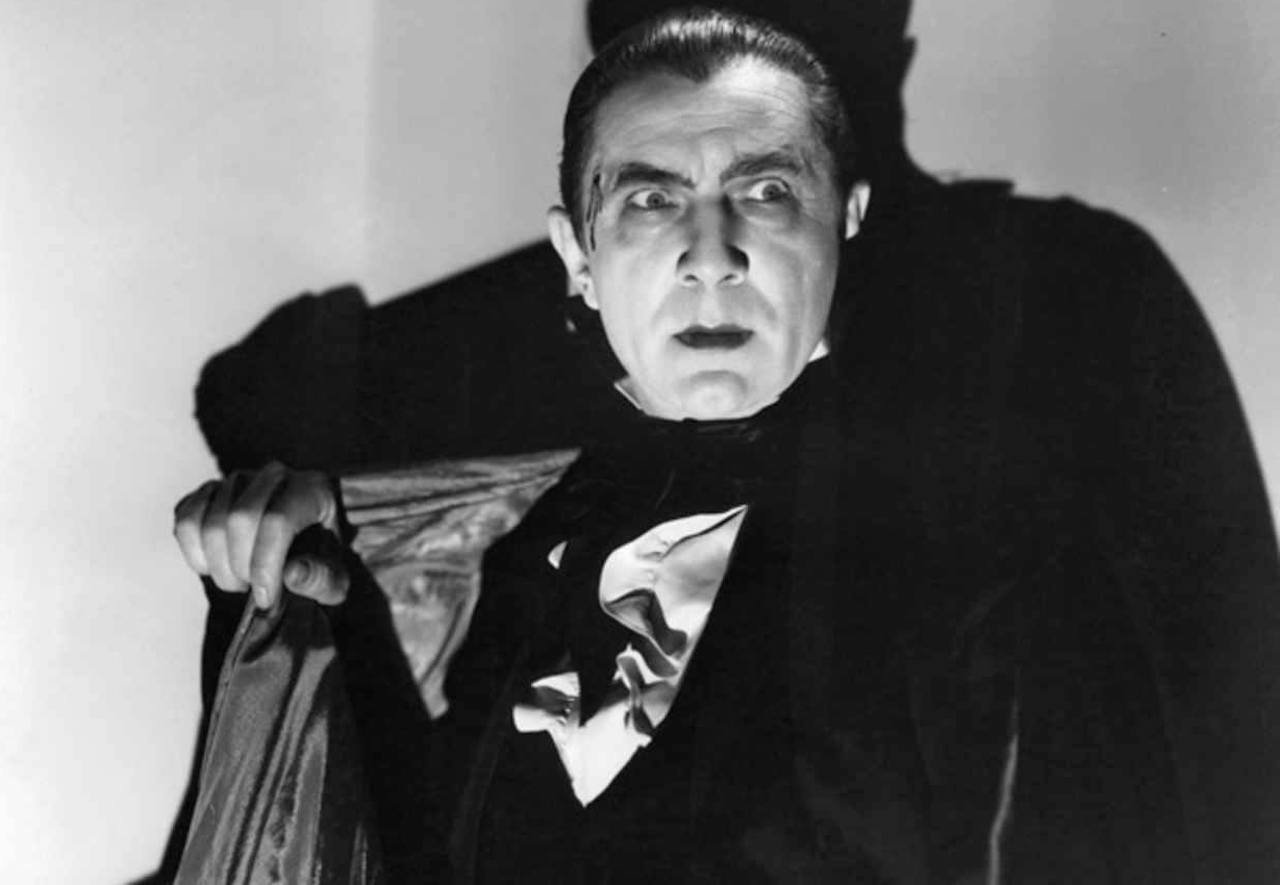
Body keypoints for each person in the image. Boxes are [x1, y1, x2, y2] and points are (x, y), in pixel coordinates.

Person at [162, 7, 1280, 885]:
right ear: (576, 258)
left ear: (845, 222)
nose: (711, 256)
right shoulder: (511, 557)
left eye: (767, 193)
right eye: (652, 203)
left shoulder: (991, 566)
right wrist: (294, 568)